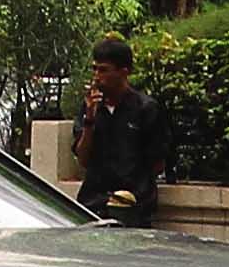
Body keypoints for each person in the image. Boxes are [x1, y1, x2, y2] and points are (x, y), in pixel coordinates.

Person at [73, 34, 171, 224]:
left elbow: (157, 163)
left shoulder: (145, 109)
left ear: (123, 72)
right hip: (94, 204)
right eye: (94, 69)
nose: (97, 77)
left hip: (134, 207)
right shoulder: (90, 108)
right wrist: (89, 121)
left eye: (103, 70)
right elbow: (83, 159)